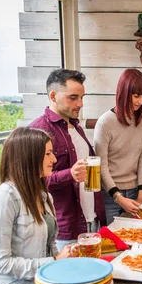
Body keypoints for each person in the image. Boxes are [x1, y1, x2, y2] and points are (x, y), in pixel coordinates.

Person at [0, 127, 74, 284]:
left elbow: (48, 246)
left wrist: (62, 259)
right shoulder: (4, 198)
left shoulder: (43, 195)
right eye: (48, 154)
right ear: (28, 157)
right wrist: (54, 263)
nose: (54, 160)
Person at [29, 69, 106, 250]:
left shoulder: (75, 126)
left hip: (91, 217)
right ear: (53, 96)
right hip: (66, 226)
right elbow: (33, 181)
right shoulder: (38, 131)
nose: (80, 103)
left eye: (82, 97)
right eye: (73, 97)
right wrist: (69, 174)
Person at [94, 69, 142, 224]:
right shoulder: (105, 123)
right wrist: (118, 197)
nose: (141, 101)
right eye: (136, 95)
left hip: (134, 191)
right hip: (109, 194)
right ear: (124, 93)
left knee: (136, 236)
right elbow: (101, 166)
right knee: (111, 243)